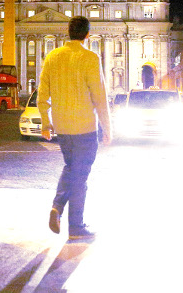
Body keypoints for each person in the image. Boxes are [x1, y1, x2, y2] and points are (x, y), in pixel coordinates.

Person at [38, 16, 112, 240]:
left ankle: (57, 208)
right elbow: (99, 96)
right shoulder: (90, 57)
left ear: (68, 32)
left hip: (62, 126)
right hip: (85, 127)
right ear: (87, 35)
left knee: (71, 167)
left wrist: (45, 121)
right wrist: (107, 126)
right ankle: (75, 226)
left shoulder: (53, 56)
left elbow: (42, 93)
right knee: (80, 177)